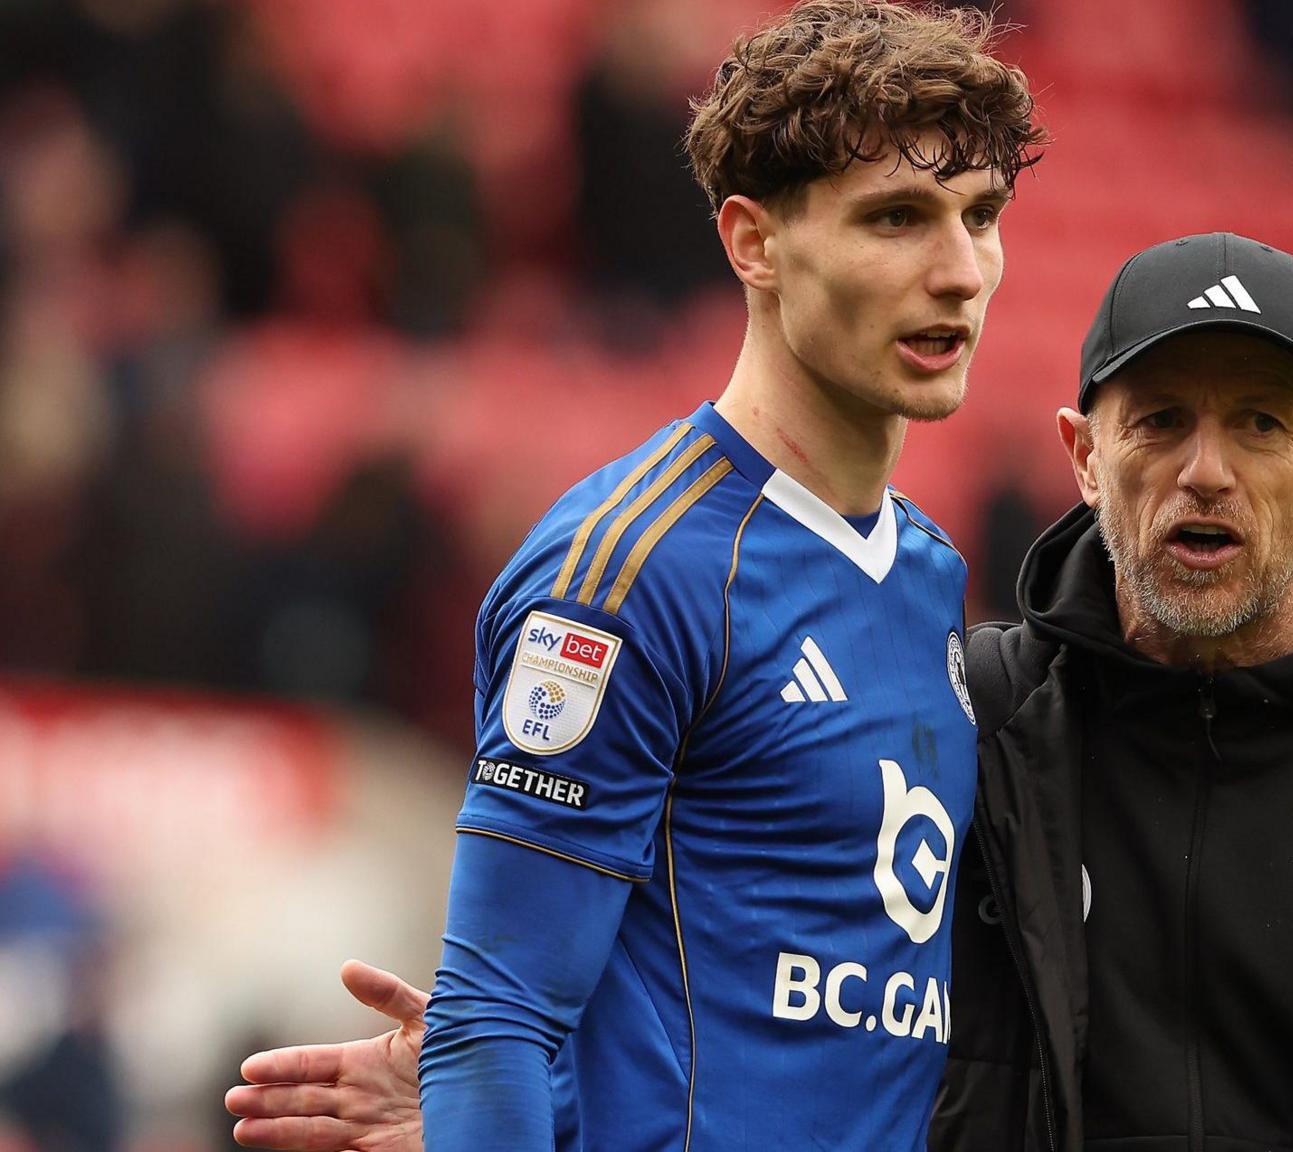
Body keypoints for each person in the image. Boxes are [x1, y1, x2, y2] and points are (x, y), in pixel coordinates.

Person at [228, 235, 1293, 1150]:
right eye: (1159, 423)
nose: (1207, 471)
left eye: (1260, 425)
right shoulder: (969, 733)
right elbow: (790, 1023)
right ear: (1079, 452)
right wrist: (527, 1104)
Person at [228, 2, 1045, 1150]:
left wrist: (572, 1105)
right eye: (897, 218)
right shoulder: (627, 573)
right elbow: (495, 1017)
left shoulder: (924, 571)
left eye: (981, 216)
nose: (959, 272)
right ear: (753, 242)